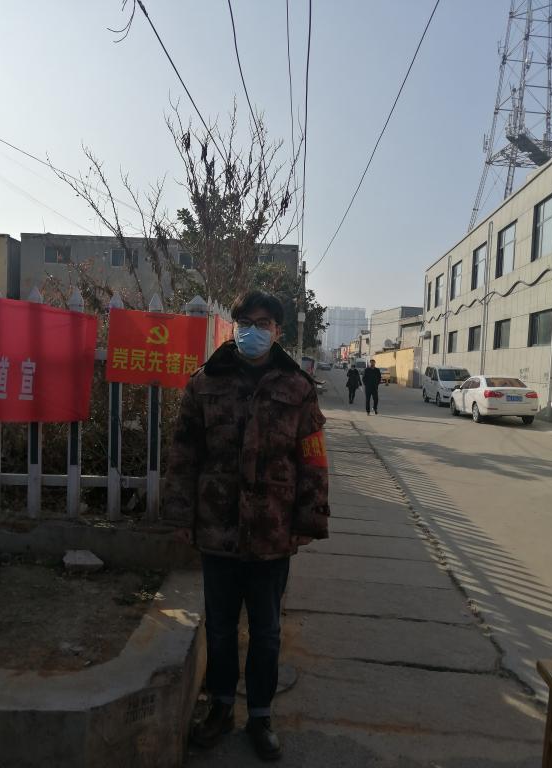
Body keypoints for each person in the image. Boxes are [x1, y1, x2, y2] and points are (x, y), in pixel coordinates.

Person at [162, 290, 330, 761]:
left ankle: (260, 715)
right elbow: (184, 452)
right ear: (234, 326)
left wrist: (308, 519)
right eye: (245, 322)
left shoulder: (297, 388)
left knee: (267, 631)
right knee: (218, 627)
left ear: (278, 331)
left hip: (273, 531)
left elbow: (313, 459)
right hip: (217, 528)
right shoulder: (205, 382)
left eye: (263, 323)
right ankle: (220, 707)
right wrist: (180, 515)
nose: (252, 331)